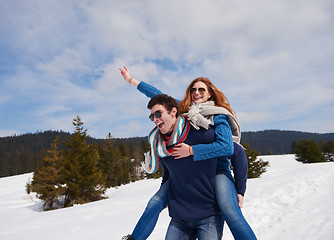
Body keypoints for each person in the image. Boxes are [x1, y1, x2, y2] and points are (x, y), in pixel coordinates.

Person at [120, 67, 257, 240]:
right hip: (194, 171)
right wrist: (132, 81)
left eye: (201, 89)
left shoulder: (218, 115)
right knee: (154, 203)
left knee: (230, 210)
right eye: (193, 89)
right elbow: (158, 96)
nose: (196, 92)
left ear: (210, 94)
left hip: (217, 168)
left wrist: (192, 150)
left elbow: (228, 148)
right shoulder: (186, 110)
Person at [146, 94, 225, 239]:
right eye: (152, 117)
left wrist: (240, 190)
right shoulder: (162, 146)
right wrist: (167, 197)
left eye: (158, 113)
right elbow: (168, 173)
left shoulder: (200, 133)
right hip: (180, 219)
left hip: (209, 216)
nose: (155, 119)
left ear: (173, 111)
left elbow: (234, 150)